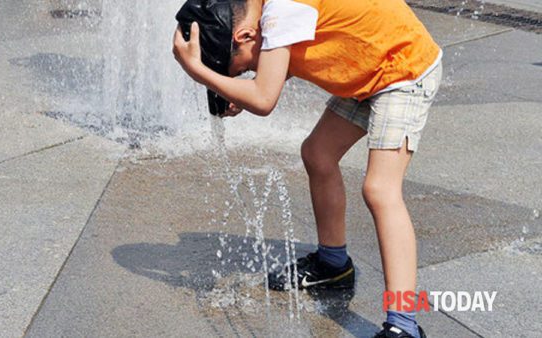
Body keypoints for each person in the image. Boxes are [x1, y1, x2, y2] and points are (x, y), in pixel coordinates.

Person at [173, 0, 442, 337]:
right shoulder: (265, 10)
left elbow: (264, 99)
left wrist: (199, 71)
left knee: (380, 189)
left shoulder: (280, 10)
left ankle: (404, 323)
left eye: (238, 67)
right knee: (318, 154)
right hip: (366, 67)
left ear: (243, 35)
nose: (242, 72)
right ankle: (333, 264)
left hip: (403, 70)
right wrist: (240, 86)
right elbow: (273, 62)